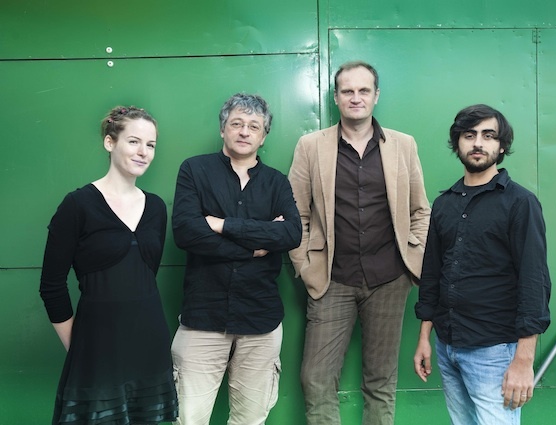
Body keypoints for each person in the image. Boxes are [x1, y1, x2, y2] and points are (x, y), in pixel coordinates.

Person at [288, 60, 431, 425]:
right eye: (347, 91)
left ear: (376, 95)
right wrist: (305, 266)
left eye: (363, 90)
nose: (356, 97)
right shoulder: (310, 146)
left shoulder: (403, 145)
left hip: (390, 278)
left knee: (381, 380)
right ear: (336, 97)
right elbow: (295, 213)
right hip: (331, 278)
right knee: (315, 378)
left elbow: (420, 210)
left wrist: (413, 259)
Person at [413, 104, 552, 425]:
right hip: (446, 345)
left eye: (488, 136)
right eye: (469, 135)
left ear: (501, 146)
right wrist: (424, 338)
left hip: (494, 350)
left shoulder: (520, 203)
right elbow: (432, 274)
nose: (478, 143)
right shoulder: (444, 204)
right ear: (457, 143)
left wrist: (524, 360)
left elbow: (534, 280)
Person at [39, 106, 178, 424]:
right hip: (97, 348)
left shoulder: (156, 208)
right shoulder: (77, 205)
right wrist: (80, 347)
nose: (143, 152)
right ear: (109, 142)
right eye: (134, 141)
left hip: (150, 344)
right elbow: (51, 287)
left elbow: (145, 275)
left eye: (151, 145)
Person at [170, 93, 302, 425]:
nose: (244, 131)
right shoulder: (194, 170)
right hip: (203, 318)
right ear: (223, 129)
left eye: (254, 126)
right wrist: (254, 246)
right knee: (188, 419)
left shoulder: (276, 182)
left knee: (250, 420)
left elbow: (291, 234)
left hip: (260, 320)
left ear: (263, 136)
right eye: (237, 124)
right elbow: (186, 232)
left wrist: (222, 225)